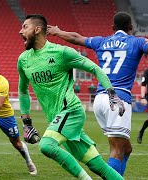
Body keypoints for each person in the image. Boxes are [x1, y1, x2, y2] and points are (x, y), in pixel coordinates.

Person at [47, 11, 148, 176]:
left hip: (99, 99)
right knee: (117, 149)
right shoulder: (137, 41)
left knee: (126, 148)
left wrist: (58, 31)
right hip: (118, 99)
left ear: (112, 27)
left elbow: (76, 38)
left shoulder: (101, 41)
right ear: (131, 27)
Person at [18, 14, 124, 180]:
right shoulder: (23, 60)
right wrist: (26, 123)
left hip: (71, 111)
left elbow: (95, 69)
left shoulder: (62, 53)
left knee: (46, 145)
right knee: (98, 166)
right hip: (57, 119)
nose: (20, 31)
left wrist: (111, 93)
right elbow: (23, 91)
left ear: (37, 29)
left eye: (25, 27)